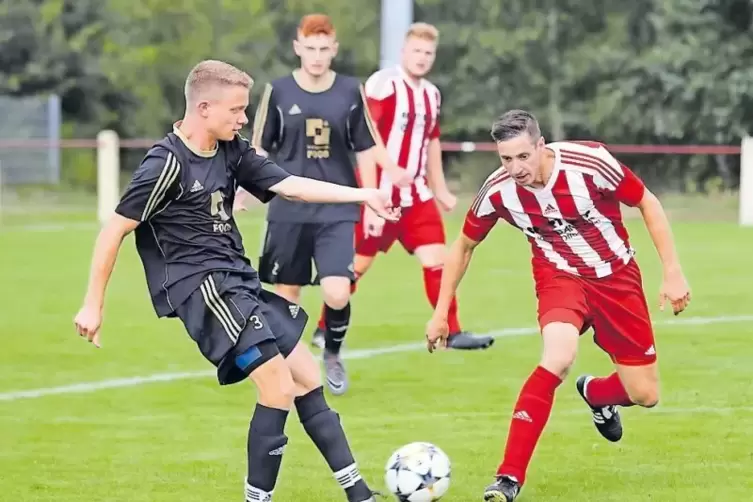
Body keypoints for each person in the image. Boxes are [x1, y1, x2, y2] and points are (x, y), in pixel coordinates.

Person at [73, 60, 396, 502]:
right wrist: (93, 304)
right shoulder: (165, 163)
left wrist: (366, 194)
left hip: (237, 282)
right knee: (278, 387)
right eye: (237, 110)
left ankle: (358, 493)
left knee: (305, 374)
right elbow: (114, 229)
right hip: (203, 289)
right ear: (204, 108)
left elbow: (293, 186)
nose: (244, 119)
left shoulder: (231, 149)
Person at [425, 110, 691, 501]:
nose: (515, 168)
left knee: (645, 394)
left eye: (522, 157)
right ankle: (508, 478)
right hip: (559, 277)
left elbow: (647, 202)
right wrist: (440, 313)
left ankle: (597, 395)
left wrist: (672, 271)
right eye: (505, 159)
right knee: (559, 356)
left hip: (616, 277)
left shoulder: (590, 163)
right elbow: (463, 246)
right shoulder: (498, 191)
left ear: (540, 146)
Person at [234, 13, 411, 396]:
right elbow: (259, 147)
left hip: (336, 207)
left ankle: (332, 353)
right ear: (298, 47)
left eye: (323, 49)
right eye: (309, 48)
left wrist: (376, 197)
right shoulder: (278, 91)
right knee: (287, 297)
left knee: (337, 291)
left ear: (334, 50)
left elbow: (365, 146)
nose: (316, 56)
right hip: (289, 206)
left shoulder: (349, 90)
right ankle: (287, 369)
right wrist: (244, 189)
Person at [308, 22, 493, 352]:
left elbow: (431, 141)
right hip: (380, 194)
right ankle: (325, 328)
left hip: (417, 197)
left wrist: (440, 188)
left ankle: (451, 332)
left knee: (438, 260)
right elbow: (365, 135)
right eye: (416, 51)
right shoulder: (384, 83)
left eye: (428, 53)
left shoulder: (432, 94)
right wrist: (375, 190)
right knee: (355, 267)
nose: (422, 58)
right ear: (404, 52)